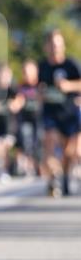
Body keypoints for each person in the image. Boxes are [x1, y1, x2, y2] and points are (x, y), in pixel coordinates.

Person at [38, 29, 81, 197]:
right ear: (47, 47)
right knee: (50, 142)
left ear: (62, 45)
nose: (55, 48)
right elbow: (38, 88)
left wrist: (68, 86)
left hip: (70, 113)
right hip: (51, 113)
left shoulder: (71, 64)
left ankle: (65, 176)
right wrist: (40, 93)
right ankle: (53, 176)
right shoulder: (43, 66)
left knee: (70, 153)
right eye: (52, 45)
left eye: (57, 44)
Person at [0, 63, 19, 181]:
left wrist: (14, 104)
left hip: (9, 123)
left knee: (4, 144)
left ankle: (8, 167)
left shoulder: (12, 88)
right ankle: (3, 169)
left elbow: (19, 100)